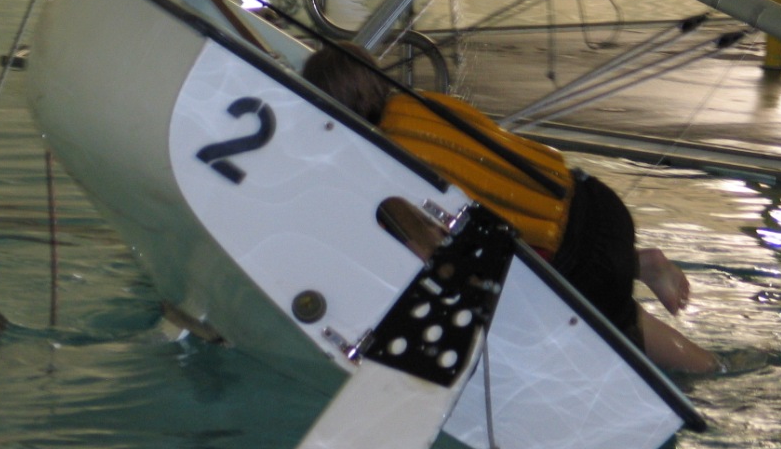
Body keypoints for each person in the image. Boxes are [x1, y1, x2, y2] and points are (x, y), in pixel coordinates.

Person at [302, 42, 717, 375]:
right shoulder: (422, 104)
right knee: (596, 284)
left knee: (634, 335)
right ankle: (641, 264)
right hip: (596, 200)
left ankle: (713, 370)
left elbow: (434, 258)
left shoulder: (392, 169)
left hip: (581, 258)